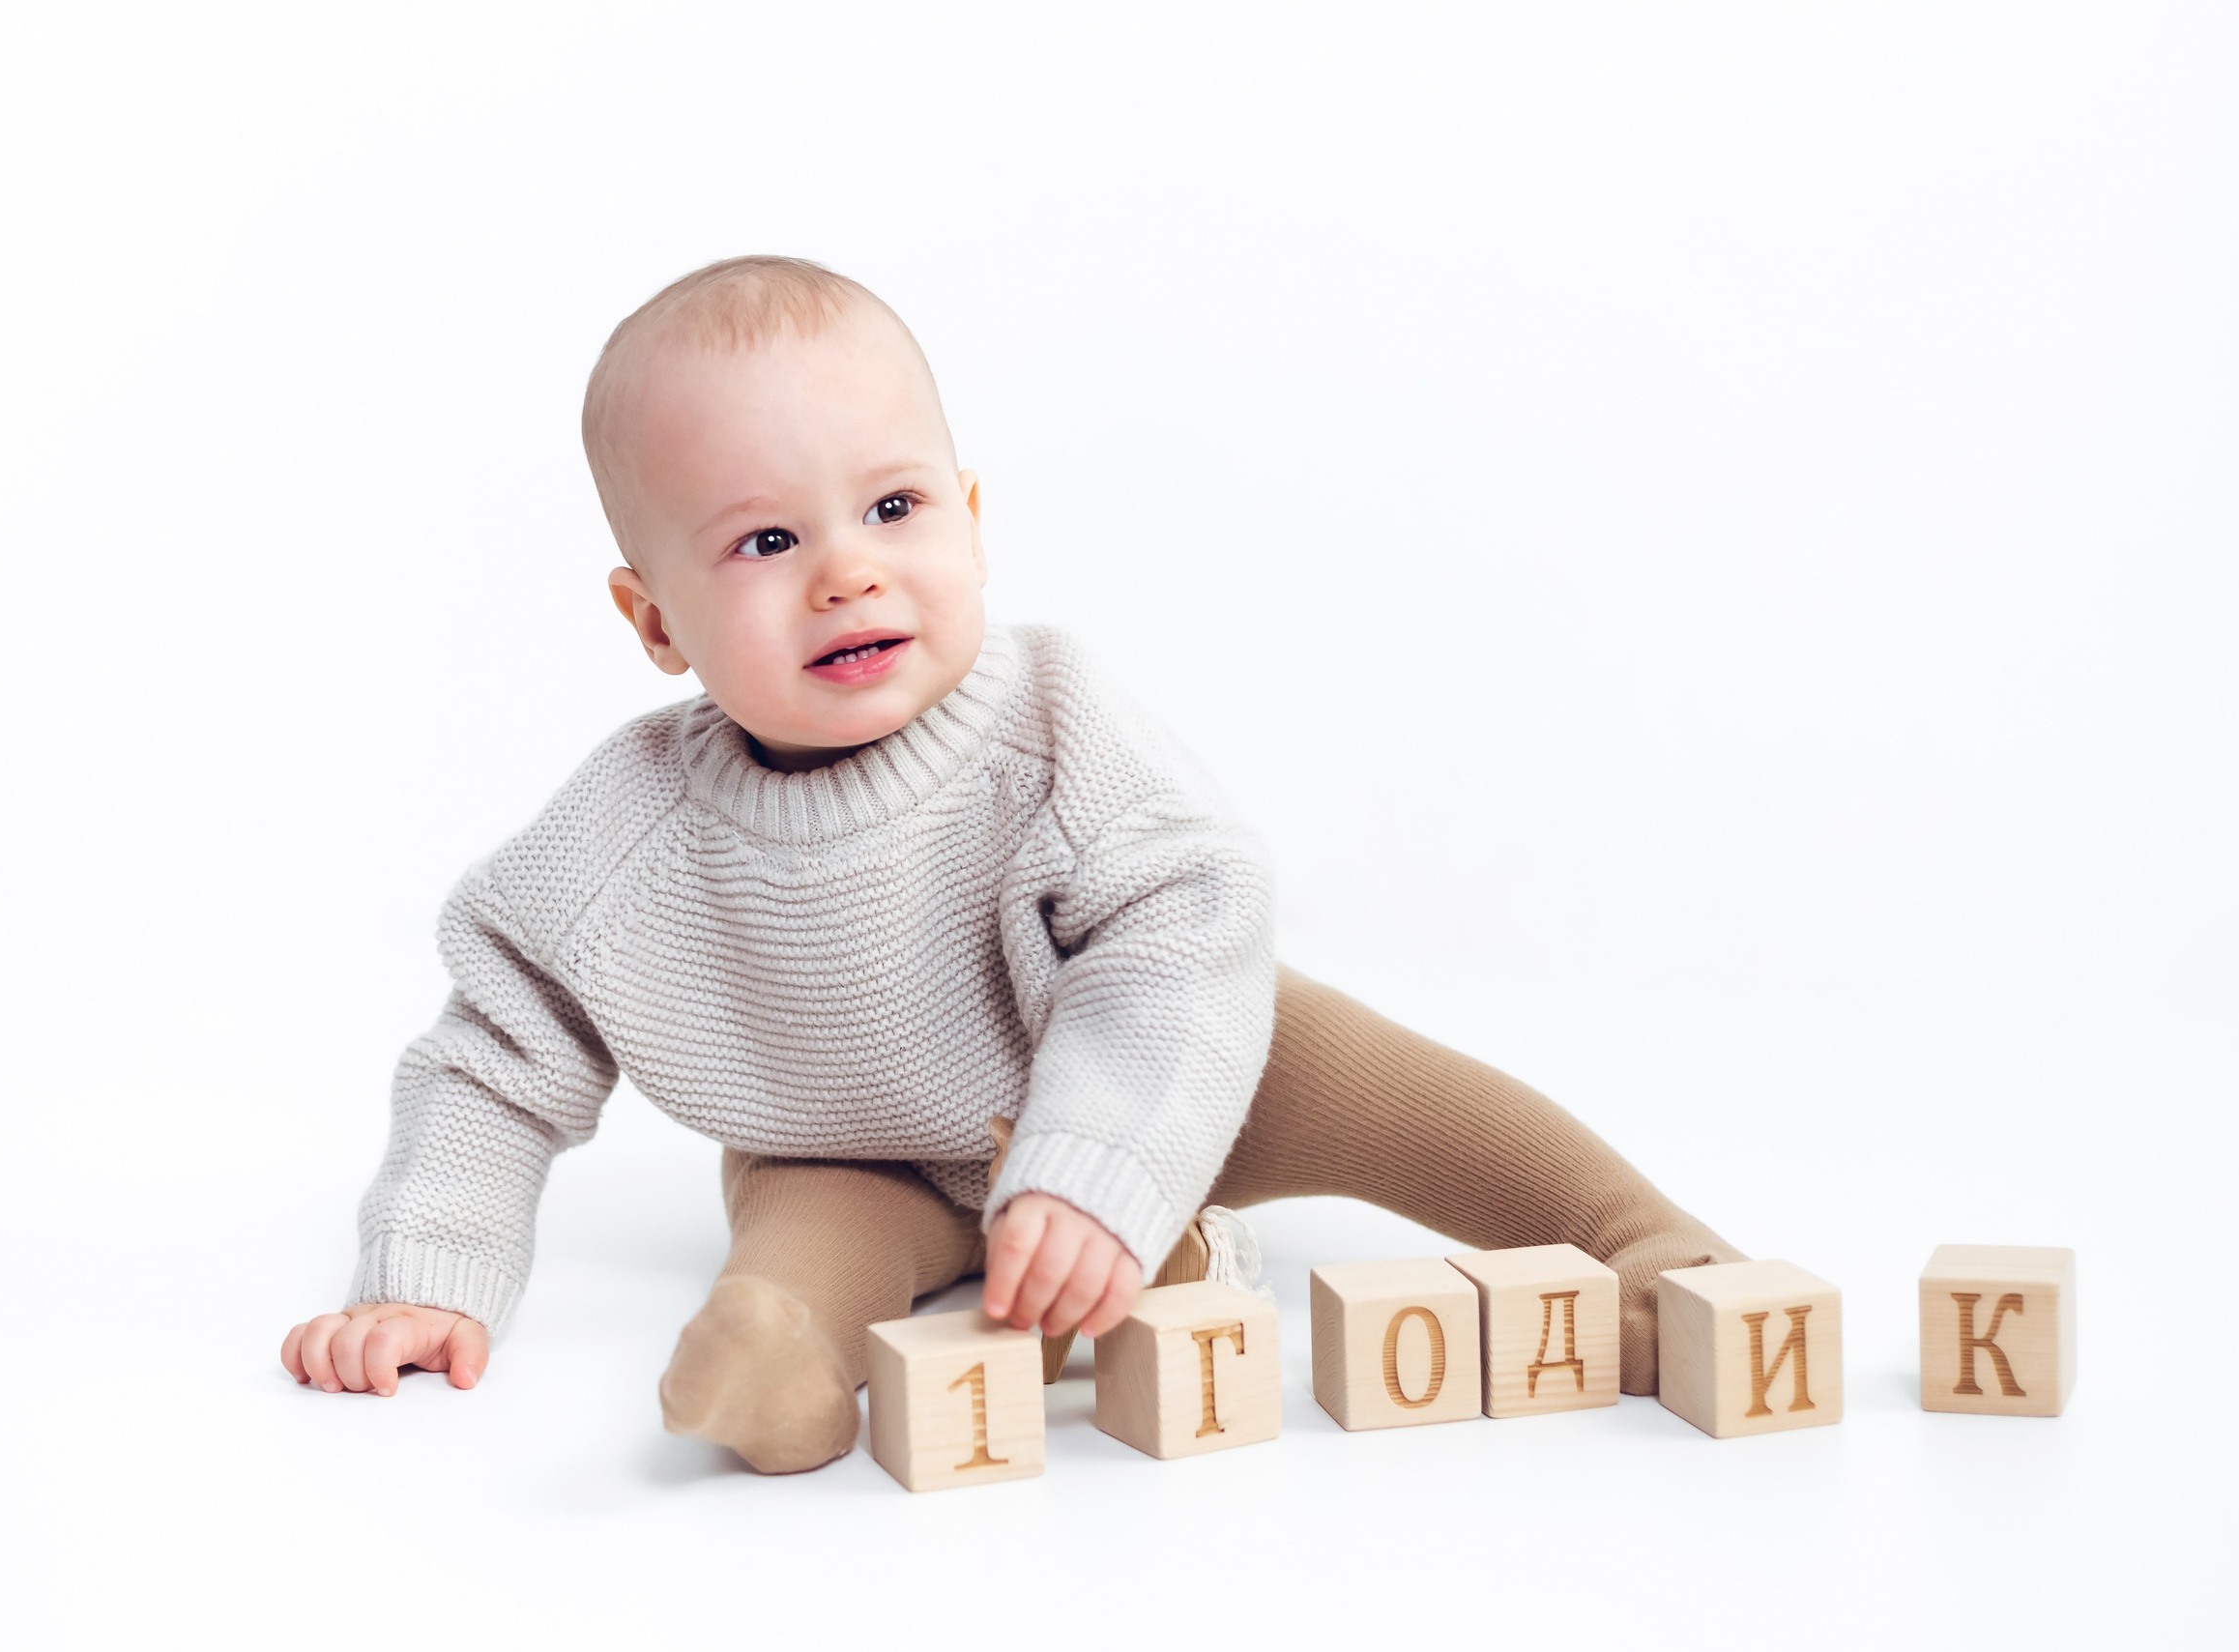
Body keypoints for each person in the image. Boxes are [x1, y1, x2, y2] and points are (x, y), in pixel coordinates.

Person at [278, 256, 1740, 1473]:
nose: (847, 570)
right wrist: (427, 1271)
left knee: (1379, 1083)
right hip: (853, 1144)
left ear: (971, 523)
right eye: (768, 538)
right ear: (652, 619)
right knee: (800, 1244)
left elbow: (1188, 920)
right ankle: (772, 1369)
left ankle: (1641, 1236)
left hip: (1153, 1057)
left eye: (894, 508)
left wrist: (1098, 1161)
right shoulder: (626, 838)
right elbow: (490, 1054)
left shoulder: (1051, 725)